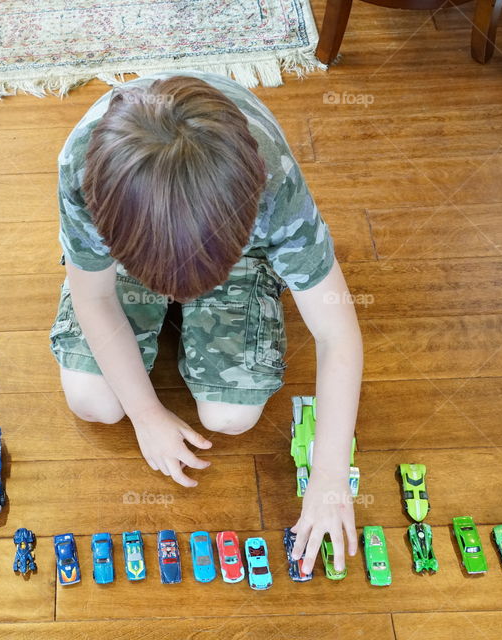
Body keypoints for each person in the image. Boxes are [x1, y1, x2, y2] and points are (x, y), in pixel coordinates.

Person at [50, 70, 364, 573]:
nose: (175, 297)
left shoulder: (273, 182)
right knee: (94, 401)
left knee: (230, 417)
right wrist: (146, 415)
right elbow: (95, 296)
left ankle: (226, 269)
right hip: (130, 234)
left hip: (230, 240)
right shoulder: (82, 169)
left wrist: (330, 475)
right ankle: (153, 271)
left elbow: (336, 332)